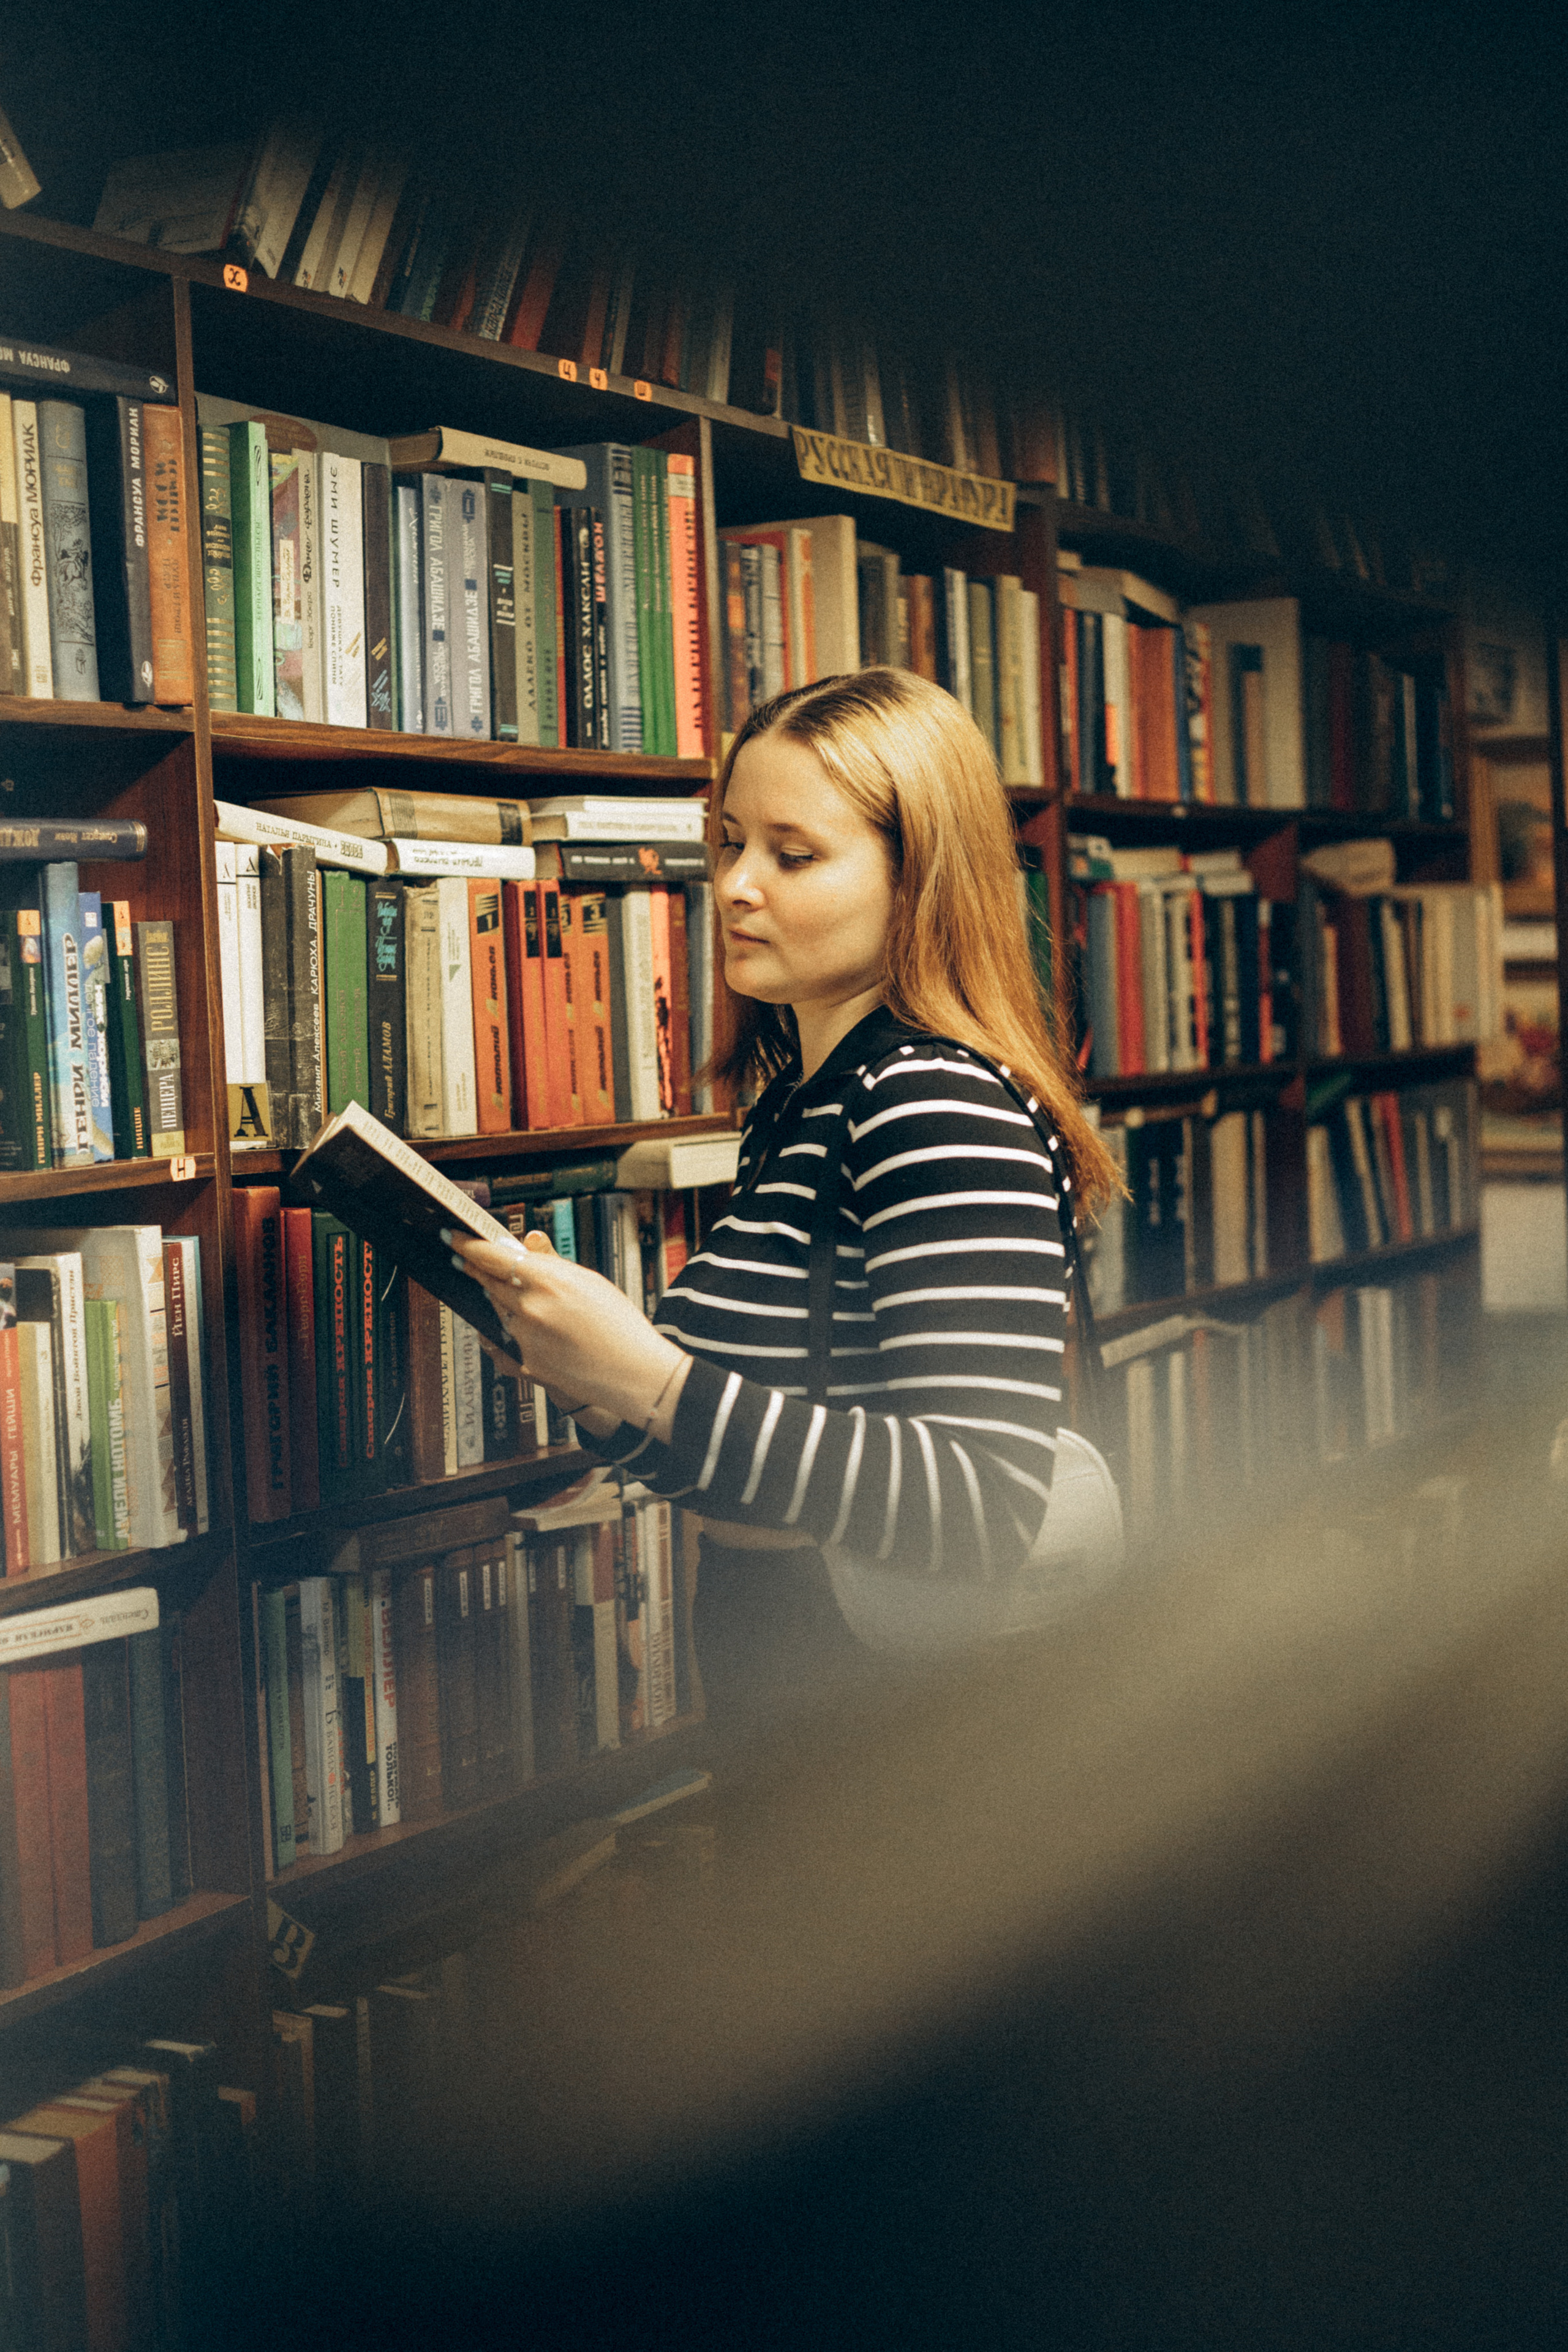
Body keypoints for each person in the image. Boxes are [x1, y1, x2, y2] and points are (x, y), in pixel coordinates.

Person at [450, 667, 1117, 1724]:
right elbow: (740, 1466)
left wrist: (652, 1374)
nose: (734, 885)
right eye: (730, 842)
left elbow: (980, 1507)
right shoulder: (799, 1104)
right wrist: (590, 1378)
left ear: (920, 880)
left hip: (896, 1702)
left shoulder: (928, 1102)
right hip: (781, 1643)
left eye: (793, 855)